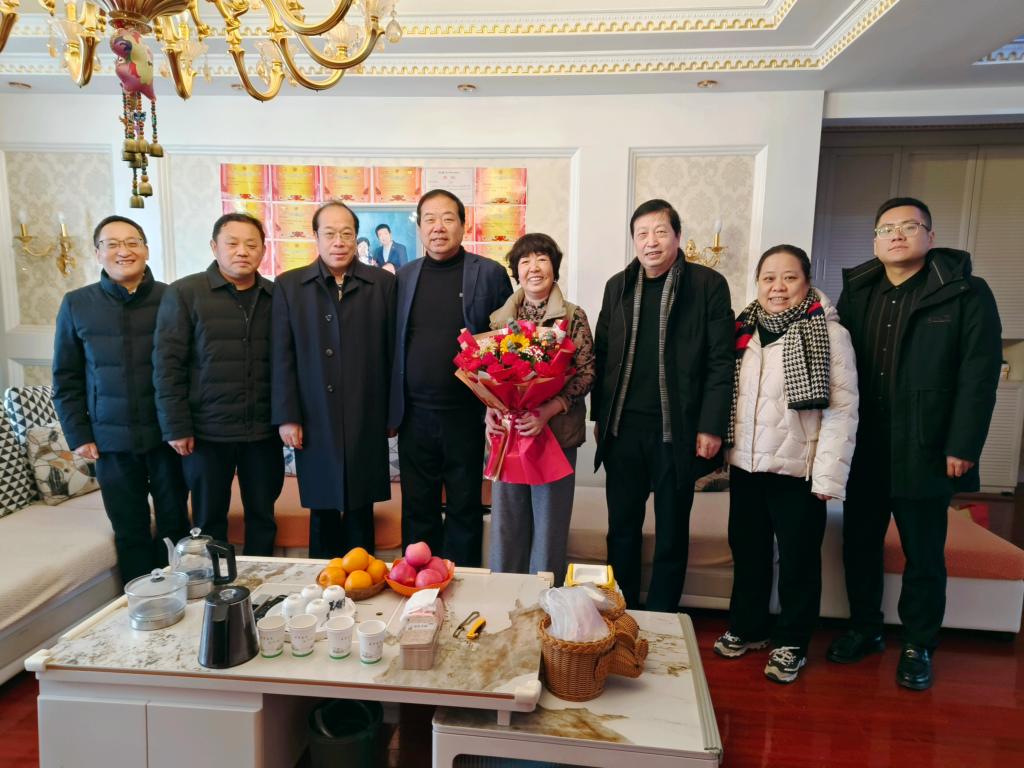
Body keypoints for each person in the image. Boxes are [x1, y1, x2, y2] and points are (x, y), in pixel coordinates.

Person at [827, 197, 1002, 691]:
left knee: (923, 553)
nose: (897, 235)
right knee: (860, 545)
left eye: (908, 226)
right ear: (875, 241)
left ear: (930, 235)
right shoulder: (858, 291)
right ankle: (865, 628)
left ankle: (918, 644)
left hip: (926, 446)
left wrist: (962, 444)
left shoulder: (965, 291)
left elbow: (978, 375)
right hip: (865, 447)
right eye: (886, 229)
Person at [712, 245, 859, 683]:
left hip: (799, 470)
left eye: (789, 278)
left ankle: (792, 641)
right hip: (746, 465)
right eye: (769, 278)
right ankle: (749, 627)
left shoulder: (829, 334)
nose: (778, 287)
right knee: (748, 550)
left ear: (807, 282)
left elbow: (842, 410)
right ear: (758, 283)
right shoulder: (743, 330)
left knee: (798, 560)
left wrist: (830, 474)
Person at [592, 198, 733, 612]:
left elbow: (721, 360)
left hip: (678, 430)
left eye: (660, 232)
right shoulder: (617, 286)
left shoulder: (707, 285)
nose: (650, 242)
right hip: (623, 429)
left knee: (672, 530)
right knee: (621, 528)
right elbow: (603, 354)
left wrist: (711, 426)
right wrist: (600, 417)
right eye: (642, 234)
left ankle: (663, 616)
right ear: (634, 240)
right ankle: (621, 611)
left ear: (677, 236)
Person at [52, 215, 190, 583]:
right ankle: (140, 604)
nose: (123, 251)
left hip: (167, 437)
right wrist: (79, 434)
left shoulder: (172, 298)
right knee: (129, 530)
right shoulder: (77, 304)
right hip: (110, 440)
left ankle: (181, 598)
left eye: (132, 243)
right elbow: (65, 377)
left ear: (146, 250)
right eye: (112, 244)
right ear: (98, 253)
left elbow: (190, 368)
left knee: (175, 526)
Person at [388, 189, 513, 567]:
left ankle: (462, 583)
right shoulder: (404, 277)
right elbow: (393, 342)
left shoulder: (489, 273)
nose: (438, 227)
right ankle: (418, 582)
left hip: (467, 415)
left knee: (464, 506)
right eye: (429, 219)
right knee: (417, 508)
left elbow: (507, 344)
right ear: (420, 228)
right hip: (414, 416)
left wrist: (499, 405)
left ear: (463, 224)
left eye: (447, 218)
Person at [153, 212, 282, 555]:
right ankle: (216, 583)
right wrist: (176, 426)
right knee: (209, 520)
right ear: (214, 247)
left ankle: (261, 580)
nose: (242, 251)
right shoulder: (185, 293)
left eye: (251, 244)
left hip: (263, 431)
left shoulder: (275, 296)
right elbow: (167, 366)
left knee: (263, 516)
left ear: (263, 249)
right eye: (232, 243)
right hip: (206, 433)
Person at [273, 202, 396, 558]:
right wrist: (287, 416)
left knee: (361, 504)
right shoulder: (289, 285)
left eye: (346, 233)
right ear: (316, 237)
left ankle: (364, 578)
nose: (338, 242)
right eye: (329, 233)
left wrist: (392, 414)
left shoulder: (382, 283)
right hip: (313, 412)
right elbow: (281, 356)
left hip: (366, 410)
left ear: (356, 238)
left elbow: (393, 353)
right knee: (322, 504)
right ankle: (322, 579)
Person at [484, 233, 595, 586]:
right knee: (507, 528)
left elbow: (587, 373)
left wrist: (549, 409)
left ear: (554, 268)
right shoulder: (499, 320)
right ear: (516, 271)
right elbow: (488, 375)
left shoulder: (573, 317)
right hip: (509, 436)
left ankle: (544, 604)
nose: (534, 267)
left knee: (549, 531)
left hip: (555, 437)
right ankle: (504, 596)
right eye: (525, 261)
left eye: (542, 259)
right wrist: (490, 409)